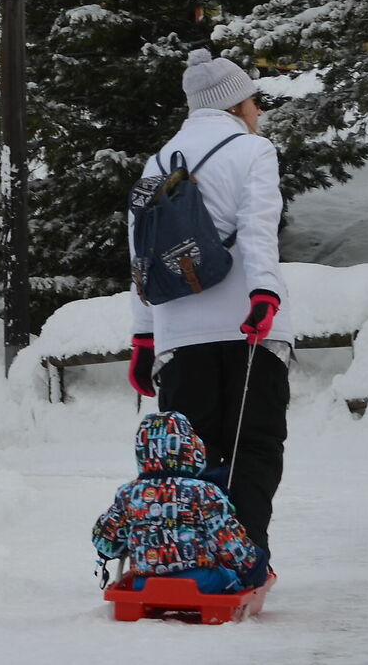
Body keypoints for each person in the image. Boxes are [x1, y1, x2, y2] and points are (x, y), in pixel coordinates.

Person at [126, 48, 288, 580]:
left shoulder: (157, 162)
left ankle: (189, 565)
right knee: (255, 445)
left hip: (179, 332)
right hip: (251, 329)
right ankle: (245, 560)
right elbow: (259, 227)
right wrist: (264, 293)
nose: (259, 110)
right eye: (254, 99)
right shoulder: (252, 151)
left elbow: (141, 254)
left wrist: (144, 336)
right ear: (236, 102)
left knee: (189, 461)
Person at [91, 411, 260, 593]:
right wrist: (254, 565)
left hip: (144, 583)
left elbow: (105, 539)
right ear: (192, 448)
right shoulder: (203, 491)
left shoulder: (130, 493)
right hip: (200, 581)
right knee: (230, 578)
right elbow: (227, 537)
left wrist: (109, 550)